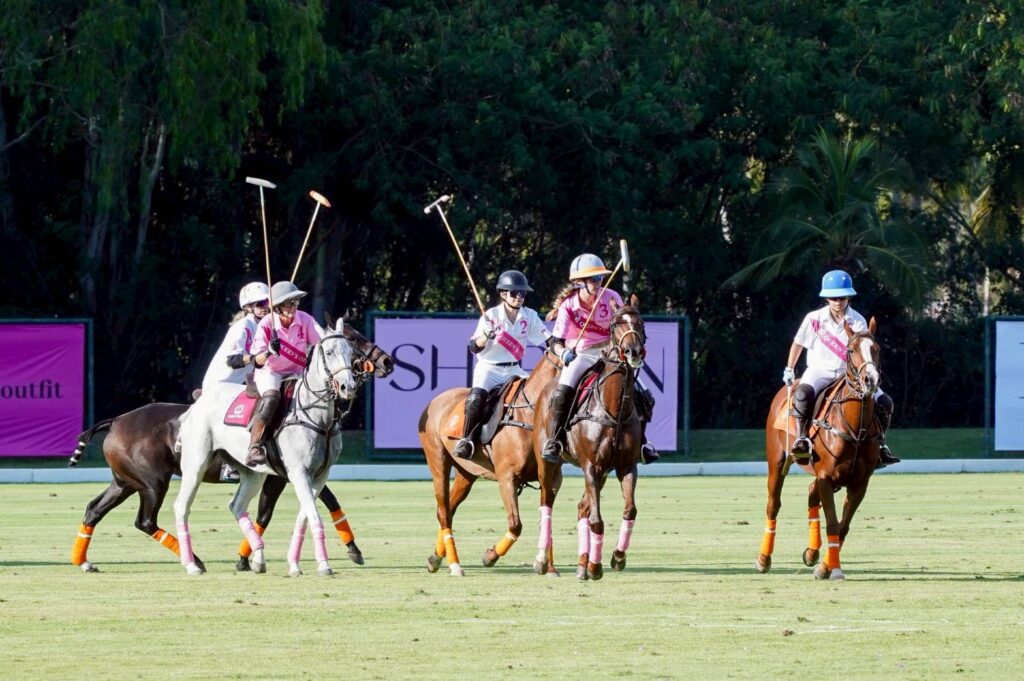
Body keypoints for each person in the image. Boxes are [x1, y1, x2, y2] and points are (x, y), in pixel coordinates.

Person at [540, 253, 659, 465]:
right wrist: (564, 353)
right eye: (593, 279)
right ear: (580, 282)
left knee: (644, 395)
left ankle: (643, 442)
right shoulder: (569, 306)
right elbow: (555, 340)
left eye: (600, 278)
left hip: (610, 352)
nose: (598, 283)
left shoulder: (611, 296)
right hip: (582, 353)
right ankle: (554, 441)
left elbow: (622, 324)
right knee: (561, 393)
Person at [782, 270, 900, 469]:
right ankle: (802, 440)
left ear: (848, 297)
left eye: (842, 297)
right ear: (827, 298)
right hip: (819, 370)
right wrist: (789, 368)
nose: (838, 302)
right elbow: (798, 343)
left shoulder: (858, 320)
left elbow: (864, 349)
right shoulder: (814, 319)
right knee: (802, 394)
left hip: (848, 375)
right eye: (833, 298)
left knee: (885, 402)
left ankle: (880, 444)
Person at [453, 270, 553, 459]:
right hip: (489, 368)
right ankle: (466, 439)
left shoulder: (529, 316)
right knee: (476, 399)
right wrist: (486, 336)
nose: (519, 297)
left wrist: (561, 347)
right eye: (514, 293)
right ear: (503, 294)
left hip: (514, 368)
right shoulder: (490, 316)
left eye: (522, 293)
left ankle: (546, 439)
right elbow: (473, 347)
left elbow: (548, 339)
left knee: (539, 396)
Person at [246, 281, 322, 467]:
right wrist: (269, 351)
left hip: (297, 371)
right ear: (277, 307)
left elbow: (321, 344)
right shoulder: (267, 323)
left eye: (295, 302)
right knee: (272, 399)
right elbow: (256, 360)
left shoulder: (305, 319)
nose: (293, 307)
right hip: (270, 372)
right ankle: (255, 446)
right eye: (289, 303)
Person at [200, 281, 270, 481]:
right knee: (246, 414)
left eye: (267, 303)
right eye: (260, 304)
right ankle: (228, 466)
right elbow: (233, 360)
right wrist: (258, 356)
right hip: (221, 384)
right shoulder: (243, 327)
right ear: (248, 307)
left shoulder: (265, 327)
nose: (265, 307)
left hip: (239, 384)